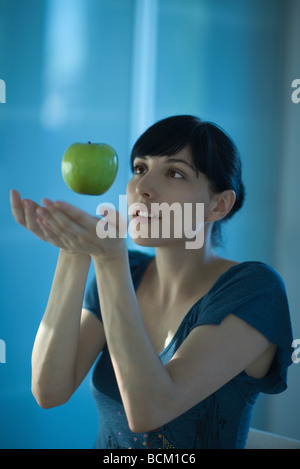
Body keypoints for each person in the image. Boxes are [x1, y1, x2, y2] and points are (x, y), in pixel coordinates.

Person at [10, 115, 293, 449]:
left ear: (219, 205)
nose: (142, 188)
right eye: (140, 168)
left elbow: (151, 410)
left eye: (175, 172)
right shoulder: (126, 271)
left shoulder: (254, 289)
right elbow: (49, 390)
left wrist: (108, 258)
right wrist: (73, 253)